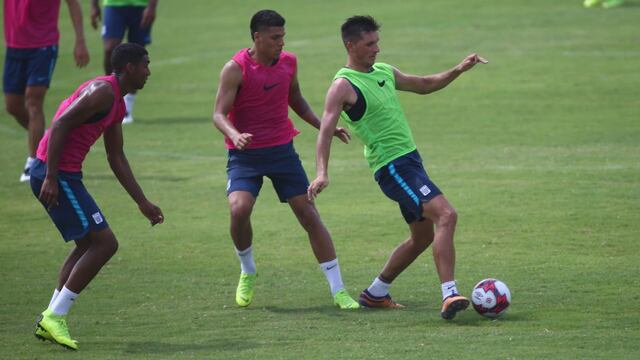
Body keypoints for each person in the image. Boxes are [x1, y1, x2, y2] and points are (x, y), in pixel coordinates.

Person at [308, 15, 487, 320]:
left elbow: (424, 85)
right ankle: (449, 293)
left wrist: (458, 69)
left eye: (377, 42)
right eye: (369, 44)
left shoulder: (384, 71)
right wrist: (322, 171)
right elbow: (325, 132)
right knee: (446, 214)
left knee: (422, 237)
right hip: (392, 167)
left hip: (410, 161)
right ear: (350, 46)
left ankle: (376, 293)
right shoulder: (342, 86)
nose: (376, 48)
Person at [212, 9, 359, 310]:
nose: (281, 43)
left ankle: (339, 290)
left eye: (283, 37)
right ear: (257, 37)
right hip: (245, 156)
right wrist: (235, 133)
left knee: (308, 214)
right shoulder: (235, 69)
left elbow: (297, 100)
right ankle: (248, 269)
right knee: (239, 209)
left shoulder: (289, 63)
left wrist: (325, 127)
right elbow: (218, 114)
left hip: (282, 152)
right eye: (274, 38)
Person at [31, 43, 164, 350]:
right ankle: (56, 317)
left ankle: (50, 316)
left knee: (88, 243)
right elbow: (61, 122)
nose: (148, 71)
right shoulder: (103, 92)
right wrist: (50, 175)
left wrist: (142, 202)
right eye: (145, 64)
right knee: (105, 243)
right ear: (129, 68)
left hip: (64, 175)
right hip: (55, 173)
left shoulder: (116, 101)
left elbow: (115, 156)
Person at [3, 0, 90, 182]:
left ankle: (34, 162)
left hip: (43, 45)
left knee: (33, 102)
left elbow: (73, 4)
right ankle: (49, 139)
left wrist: (80, 40)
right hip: (14, 46)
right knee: (12, 106)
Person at [90, 0, 158, 124]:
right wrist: (94, 5)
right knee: (109, 48)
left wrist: (152, 6)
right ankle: (110, 95)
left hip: (140, 6)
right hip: (113, 4)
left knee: (138, 56)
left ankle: (127, 108)